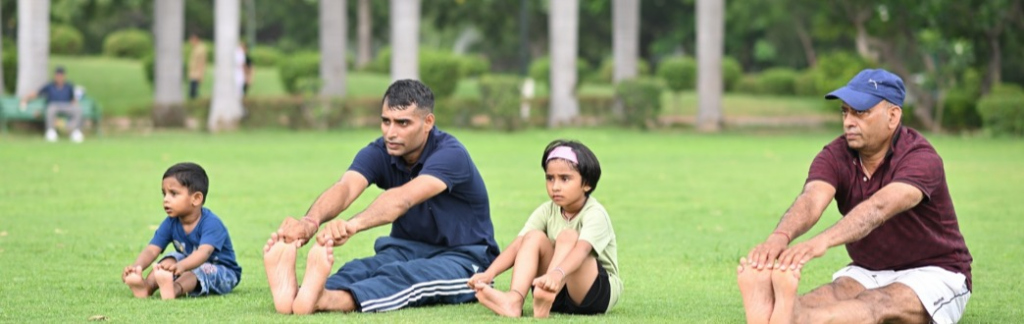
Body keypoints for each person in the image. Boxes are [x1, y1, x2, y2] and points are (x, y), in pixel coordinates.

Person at [737, 69, 973, 324]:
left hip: (934, 271)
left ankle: (794, 317)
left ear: (893, 116)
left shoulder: (920, 157)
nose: (849, 121)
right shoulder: (835, 154)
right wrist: (779, 237)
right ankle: (781, 311)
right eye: (845, 111)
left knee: (876, 303)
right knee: (834, 293)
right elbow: (812, 199)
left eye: (861, 112)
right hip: (868, 269)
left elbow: (879, 208)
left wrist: (821, 241)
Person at [262, 79, 499, 315]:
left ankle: (325, 300)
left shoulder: (450, 155)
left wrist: (351, 225)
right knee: (362, 268)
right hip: (405, 249)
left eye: (402, 123)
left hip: (465, 260)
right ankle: (299, 294)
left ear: (428, 122)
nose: (391, 133)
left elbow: (403, 199)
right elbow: (345, 187)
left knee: (405, 277)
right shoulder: (381, 151)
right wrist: (309, 222)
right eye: (386, 121)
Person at [469, 140, 622, 318]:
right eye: (550, 178)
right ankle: (514, 300)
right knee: (533, 237)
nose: (555, 186)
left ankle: (546, 292)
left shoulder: (595, 213)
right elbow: (518, 245)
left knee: (569, 237)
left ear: (586, 183)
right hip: (557, 288)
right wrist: (489, 274)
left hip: (592, 293)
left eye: (565, 179)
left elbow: (582, 250)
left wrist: (556, 275)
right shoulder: (546, 210)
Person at [122, 162, 241, 300]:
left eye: (173, 194)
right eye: (164, 194)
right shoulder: (171, 222)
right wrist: (136, 268)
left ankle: (174, 289)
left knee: (196, 270)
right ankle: (147, 286)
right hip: (188, 265)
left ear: (196, 199)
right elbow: (152, 250)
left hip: (224, 272)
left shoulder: (211, 223)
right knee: (171, 258)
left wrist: (182, 266)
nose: (166, 200)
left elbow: (203, 253)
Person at [21, 66, 82, 143]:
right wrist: (26, 98)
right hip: (54, 106)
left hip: (66, 105)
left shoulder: (69, 86)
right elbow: (37, 93)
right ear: (55, 76)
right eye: (57, 75)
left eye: (61, 75)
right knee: (51, 108)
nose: (59, 77)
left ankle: (74, 131)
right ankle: (51, 131)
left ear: (64, 76)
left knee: (77, 109)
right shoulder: (49, 86)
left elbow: (73, 99)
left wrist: (76, 104)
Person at [187, 33, 207, 100]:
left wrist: (200, 75)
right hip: (193, 74)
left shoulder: (201, 49)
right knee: (192, 93)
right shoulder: (195, 48)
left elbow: (201, 63)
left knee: (193, 93)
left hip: (196, 74)